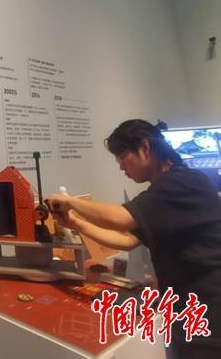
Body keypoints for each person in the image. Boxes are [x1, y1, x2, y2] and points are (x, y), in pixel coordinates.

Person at [46, 119, 221, 359]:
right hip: (185, 305)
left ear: (145, 148)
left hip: (208, 307)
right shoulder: (164, 190)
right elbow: (127, 241)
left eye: (122, 157)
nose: (121, 167)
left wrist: (71, 202)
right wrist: (76, 224)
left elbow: (120, 218)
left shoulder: (182, 182)